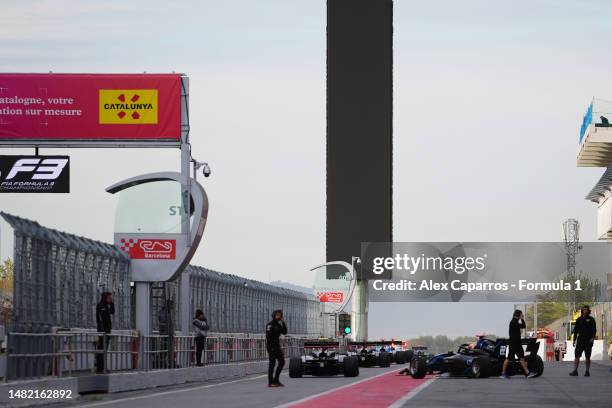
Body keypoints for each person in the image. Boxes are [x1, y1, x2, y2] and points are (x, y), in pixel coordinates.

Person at [500, 309, 537, 379]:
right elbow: (520, 326)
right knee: (509, 358)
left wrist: (522, 319)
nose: (522, 315)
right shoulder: (513, 322)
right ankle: (503, 373)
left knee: (521, 357)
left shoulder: (516, 321)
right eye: (521, 314)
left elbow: (523, 326)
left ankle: (527, 373)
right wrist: (521, 319)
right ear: (518, 315)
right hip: (513, 343)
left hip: (517, 343)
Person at [569, 305, 597, 377]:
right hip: (580, 340)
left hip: (588, 341)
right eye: (584, 310)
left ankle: (587, 371)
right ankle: (575, 371)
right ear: (582, 311)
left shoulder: (591, 319)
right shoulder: (578, 319)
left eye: (586, 310)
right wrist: (574, 340)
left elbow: (594, 330)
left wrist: (592, 338)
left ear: (588, 311)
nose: (585, 311)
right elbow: (576, 331)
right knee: (577, 356)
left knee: (588, 357)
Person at [266, 309, 287, 387]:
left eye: (280, 315)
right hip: (271, 347)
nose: (278, 316)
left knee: (281, 362)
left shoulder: (279, 325)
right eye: (277, 314)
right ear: (274, 315)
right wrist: (269, 348)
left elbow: (285, 332)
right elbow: (268, 337)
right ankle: (271, 382)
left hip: (277, 346)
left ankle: (276, 380)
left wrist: (283, 322)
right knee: (272, 364)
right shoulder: (270, 325)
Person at [95, 292, 114, 373]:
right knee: (101, 349)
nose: (110, 299)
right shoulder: (101, 306)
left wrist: (112, 304)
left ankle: (103, 367)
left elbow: (112, 312)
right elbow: (101, 320)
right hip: (103, 331)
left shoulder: (106, 306)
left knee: (104, 350)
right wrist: (103, 331)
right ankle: (100, 368)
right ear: (105, 297)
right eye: (109, 298)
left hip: (107, 331)